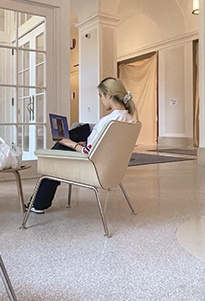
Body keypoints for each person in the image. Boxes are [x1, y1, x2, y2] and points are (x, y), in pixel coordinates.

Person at [28, 77, 138, 213]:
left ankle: (38, 203)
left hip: (93, 167)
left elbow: (88, 153)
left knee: (57, 151)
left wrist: (71, 144)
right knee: (68, 142)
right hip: (111, 169)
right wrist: (86, 143)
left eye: (101, 96)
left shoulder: (109, 121)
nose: (101, 101)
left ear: (109, 95)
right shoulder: (130, 120)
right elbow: (107, 147)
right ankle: (39, 201)